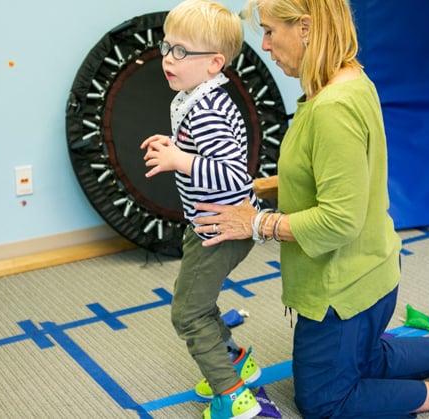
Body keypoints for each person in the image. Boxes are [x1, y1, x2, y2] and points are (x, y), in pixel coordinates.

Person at [192, 0, 429, 417]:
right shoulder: (349, 79)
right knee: (366, 361)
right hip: (372, 273)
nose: (265, 45)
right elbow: (332, 179)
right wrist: (254, 187)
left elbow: (338, 220)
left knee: (323, 402)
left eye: (270, 31)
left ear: (306, 28)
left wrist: (256, 223)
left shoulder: (333, 108)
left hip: (345, 290)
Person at [139, 1, 262, 418]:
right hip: (206, 224)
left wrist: (182, 160)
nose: (168, 59)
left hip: (221, 229)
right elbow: (203, 151)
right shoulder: (197, 96)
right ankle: (236, 358)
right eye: (167, 46)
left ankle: (232, 394)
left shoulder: (208, 108)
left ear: (214, 63)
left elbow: (232, 176)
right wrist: (178, 149)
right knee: (198, 300)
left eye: (181, 51)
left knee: (187, 313)